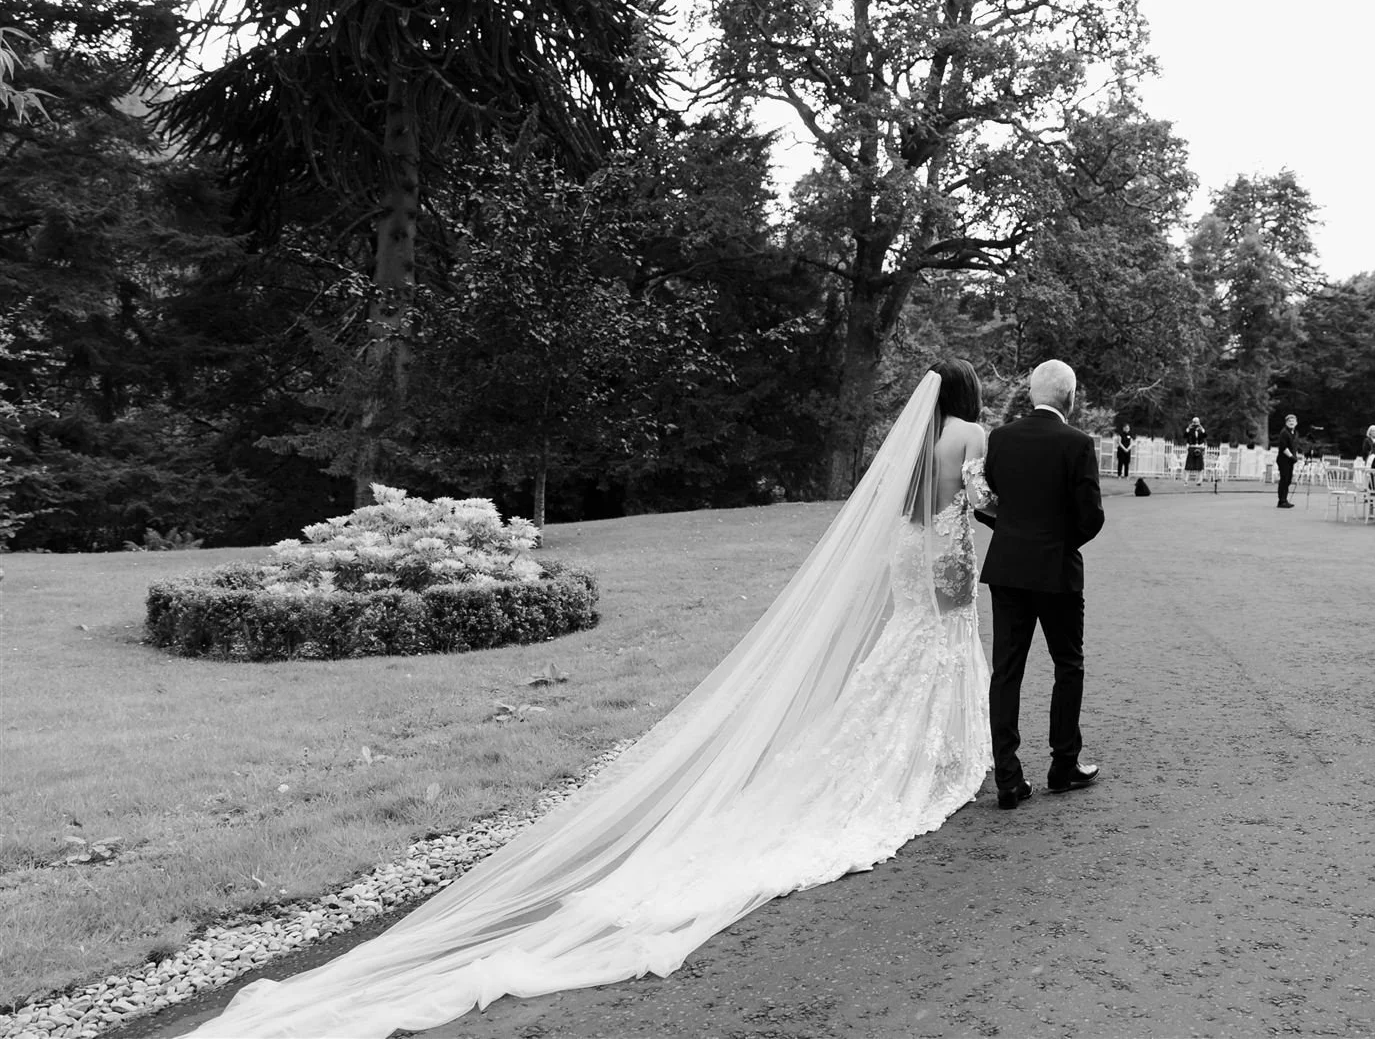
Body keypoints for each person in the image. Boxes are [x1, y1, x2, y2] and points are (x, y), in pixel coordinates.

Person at [186, 361, 999, 1038]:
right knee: (938, 653)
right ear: (965, 403)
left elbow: (917, 514)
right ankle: (940, 759)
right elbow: (976, 504)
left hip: (906, 552)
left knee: (901, 657)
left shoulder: (910, 452)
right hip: (946, 561)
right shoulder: (968, 436)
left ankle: (905, 753)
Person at [981, 359, 1107, 811]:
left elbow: (988, 503)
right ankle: (1063, 765)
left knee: (1007, 671)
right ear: (1070, 398)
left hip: (1009, 570)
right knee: (1067, 665)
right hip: (1057, 573)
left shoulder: (1001, 438)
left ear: (1031, 394)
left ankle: (1009, 779)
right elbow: (1091, 517)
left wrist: (1017, 533)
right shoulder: (1077, 444)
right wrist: (1057, 542)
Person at [1274, 413, 1302, 508]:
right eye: (1289, 421)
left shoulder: (1295, 433)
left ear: (1296, 423)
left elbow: (1294, 447)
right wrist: (1291, 457)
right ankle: (1282, 501)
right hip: (1284, 459)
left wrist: (1295, 456)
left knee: (1288, 480)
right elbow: (1283, 447)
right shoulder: (1284, 433)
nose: (1291, 423)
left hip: (1290, 460)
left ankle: (1284, 499)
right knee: (1284, 479)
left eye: (1293, 421)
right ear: (1286, 423)